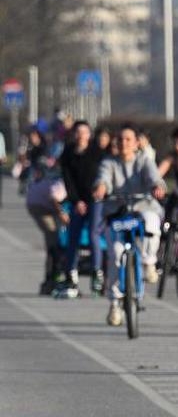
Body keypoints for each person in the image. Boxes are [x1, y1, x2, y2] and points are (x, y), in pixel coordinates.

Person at [93, 124, 166, 328]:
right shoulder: (109, 162)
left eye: (128, 139)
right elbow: (103, 179)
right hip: (117, 213)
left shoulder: (144, 161)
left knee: (152, 222)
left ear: (136, 143)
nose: (124, 143)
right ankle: (115, 303)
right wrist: (101, 188)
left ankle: (149, 261)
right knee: (116, 255)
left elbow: (154, 177)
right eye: (120, 139)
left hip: (143, 207)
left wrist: (157, 187)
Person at [57, 120, 104, 294]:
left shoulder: (96, 152)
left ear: (89, 134)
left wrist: (96, 194)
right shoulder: (68, 153)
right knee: (73, 235)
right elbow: (67, 179)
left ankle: (96, 271)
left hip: (95, 199)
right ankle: (71, 272)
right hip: (77, 201)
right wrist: (76, 201)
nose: (81, 135)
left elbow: (102, 175)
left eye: (84, 132)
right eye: (78, 132)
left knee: (93, 233)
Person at [22, 151, 66, 294]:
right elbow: (54, 196)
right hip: (40, 206)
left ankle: (52, 276)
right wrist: (62, 214)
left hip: (41, 203)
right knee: (53, 240)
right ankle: (50, 279)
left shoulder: (58, 174)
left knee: (56, 240)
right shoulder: (63, 179)